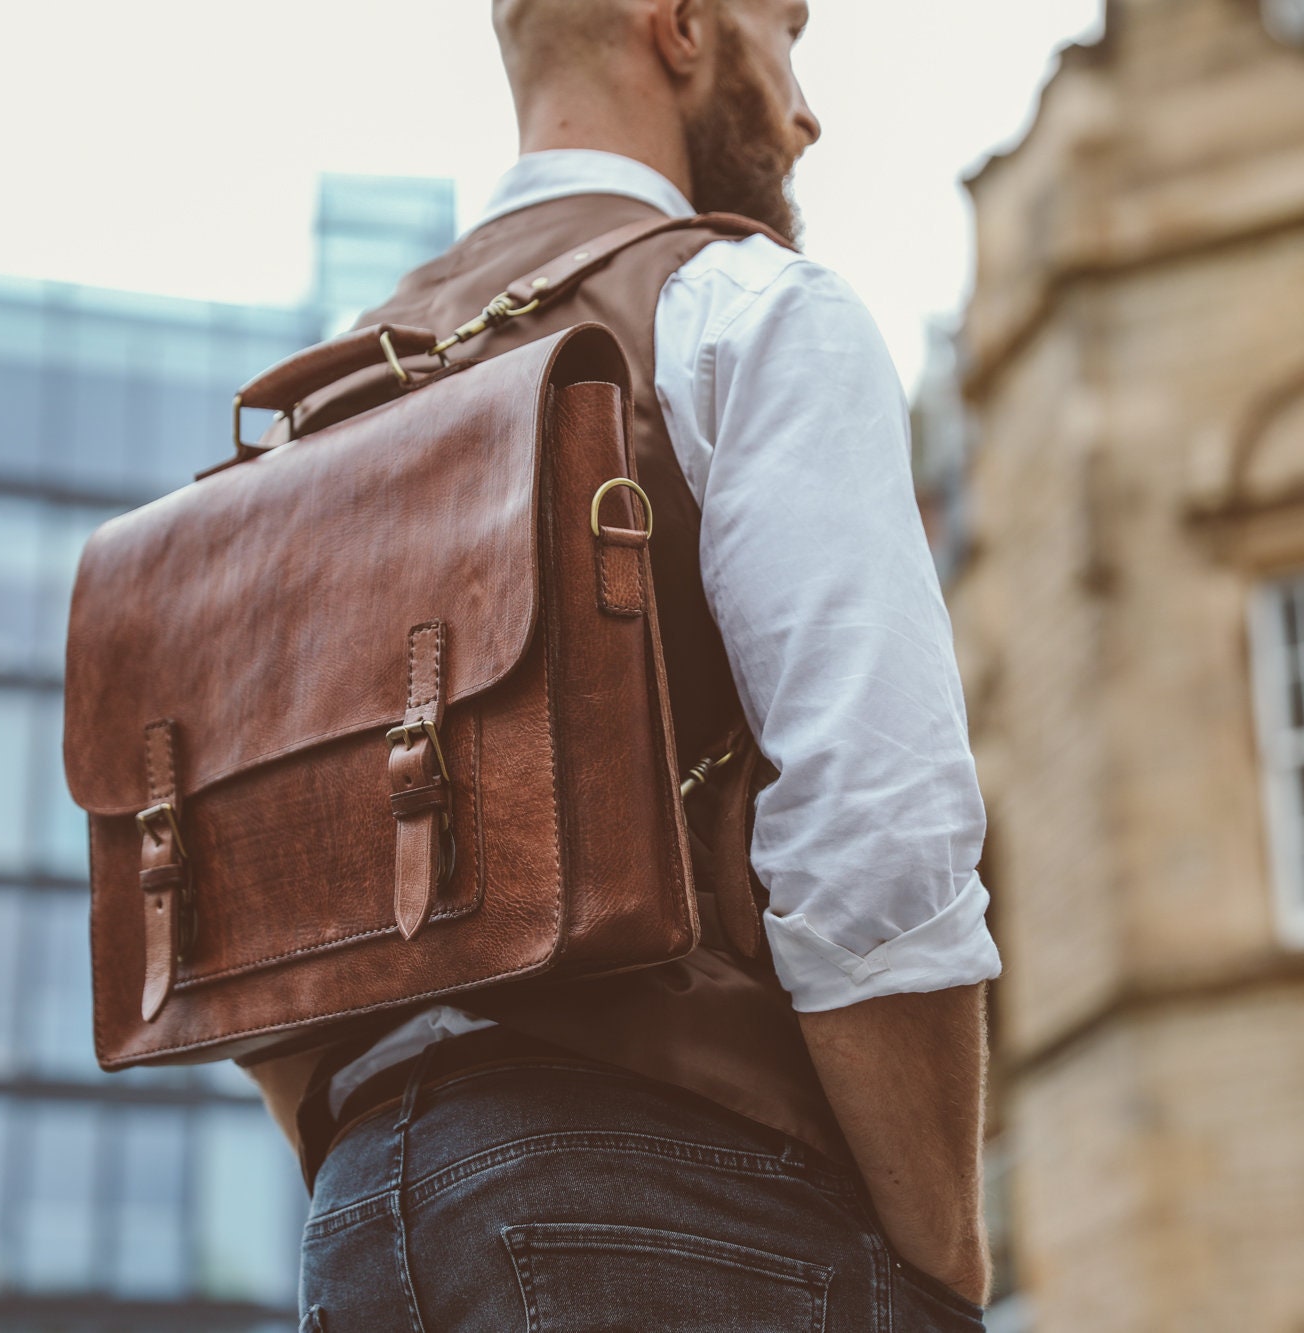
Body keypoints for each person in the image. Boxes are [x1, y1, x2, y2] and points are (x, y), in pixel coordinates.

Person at [245, 1, 1004, 1327]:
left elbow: (258, 907)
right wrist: (942, 1262)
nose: (805, 106)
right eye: (790, 31)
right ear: (682, 25)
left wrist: (382, 1142)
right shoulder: (748, 309)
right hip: (697, 1199)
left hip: (363, 1222)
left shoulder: (316, 419)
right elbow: (880, 839)